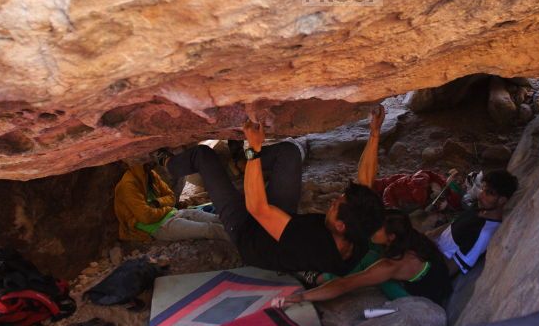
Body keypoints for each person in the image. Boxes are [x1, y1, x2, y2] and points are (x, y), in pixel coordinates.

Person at [157, 108, 386, 276]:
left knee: (203, 156)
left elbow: (257, 208)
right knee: (289, 154)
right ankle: (239, 165)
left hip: (248, 232)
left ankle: (166, 163)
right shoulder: (360, 233)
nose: (334, 201)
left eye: (336, 205)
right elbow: (365, 184)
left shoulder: (309, 243)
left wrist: (253, 150)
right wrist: (375, 132)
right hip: (283, 220)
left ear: (340, 226)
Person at [274, 209, 452, 307]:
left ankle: (315, 276)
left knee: (367, 264)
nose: (371, 230)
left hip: (422, 301)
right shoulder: (410, 236)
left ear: (391, 237)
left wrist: (303, 297)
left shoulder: (391, 265)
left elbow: (345, 285)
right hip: (440, 286)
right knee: (368, 250)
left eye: (376, 229)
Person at [427, 169, 518, 274]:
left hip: (435, 263)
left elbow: (451, 268)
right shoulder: (481, 208)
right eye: (483, 189)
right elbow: (454, 224)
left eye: (489, 193)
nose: (480, 195)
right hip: (432, 248)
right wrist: (430, 236)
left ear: (502, 200)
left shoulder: (485, 233)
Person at [114, 162, 227, 242]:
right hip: (158, 227)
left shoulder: (150, 174)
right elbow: (146, 217)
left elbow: (171, 197)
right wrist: (166, 208)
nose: (153, 161)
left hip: (171, 214)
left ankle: (241, 227)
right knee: (209, 229)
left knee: (216, 218)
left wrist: (158, 202)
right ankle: (242, 241)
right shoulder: (128, 185)